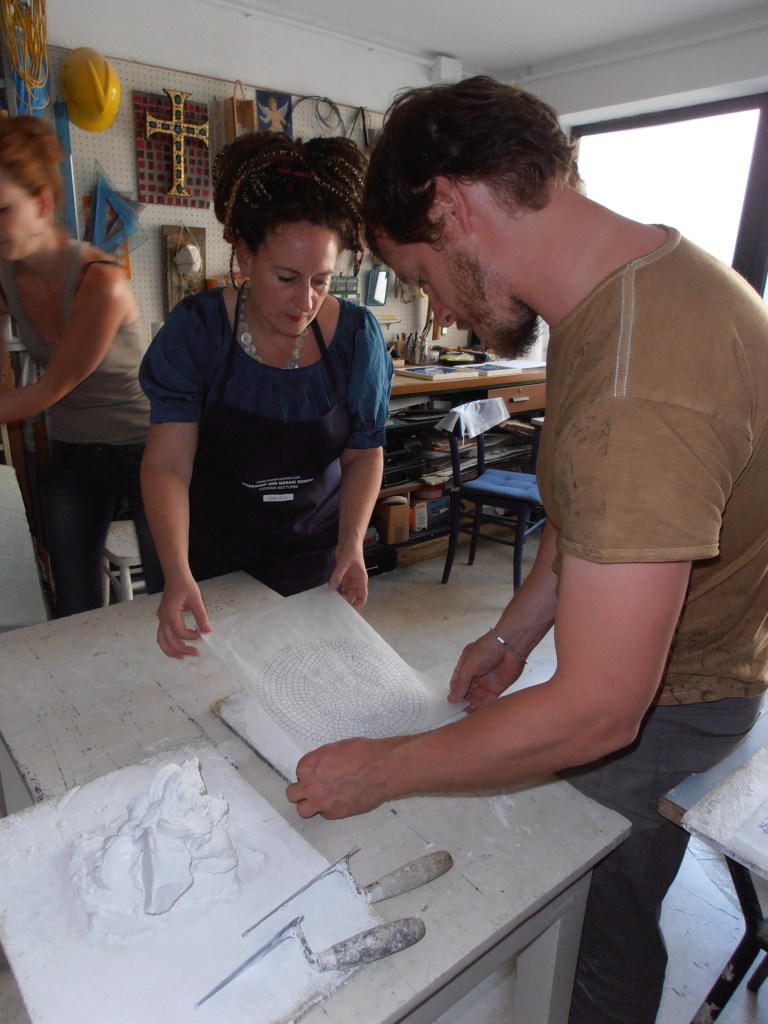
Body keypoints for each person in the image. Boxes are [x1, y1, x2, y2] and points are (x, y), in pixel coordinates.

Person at [285, 77, 768, 1024]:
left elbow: (597, 711)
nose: (439, 309)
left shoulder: (638, 383)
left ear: (450, 205)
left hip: (683, 697)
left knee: (588, 921)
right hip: (675, 658)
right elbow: (593, 512)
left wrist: (379, 768)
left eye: (422, 275)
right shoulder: (635, 283)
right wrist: (513, 635)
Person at [140, 132, 391, 660]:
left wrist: (352, 542)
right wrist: (177, 570)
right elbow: (168, 465)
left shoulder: (356, 338)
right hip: (209, 564)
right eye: (286, 278)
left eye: (322, 280)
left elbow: (364, 452)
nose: (305, 300)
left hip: (315, 560)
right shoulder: (198, 331)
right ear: (246, 254)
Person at [0, 115, 163, 617]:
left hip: (146, 448)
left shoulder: (101, 282)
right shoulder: (5, 275)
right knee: (74, 606)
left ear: (41, 205)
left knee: (168, 594)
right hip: (73, 449)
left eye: (2, 209)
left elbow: (48, 388)